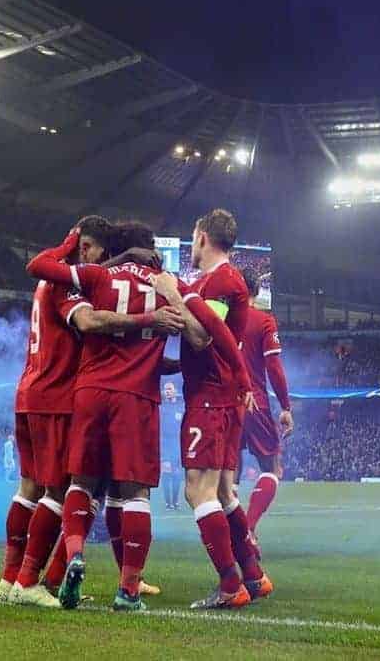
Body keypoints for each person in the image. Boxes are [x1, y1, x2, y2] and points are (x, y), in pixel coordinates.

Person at [26, 222, 230, 612]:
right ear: (149, 248)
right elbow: (204, 336)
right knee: (134, 493)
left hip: (90, 391)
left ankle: (73, 557)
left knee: (80, 484)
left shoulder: (96, 276)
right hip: (137, 397)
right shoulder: (163, 282)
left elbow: (40, 269)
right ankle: (128, 589)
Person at [3, 216, 174, 609]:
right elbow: (89, 321)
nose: (106, 261)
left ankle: (14, 578)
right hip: (60, 395)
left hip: (37, 390)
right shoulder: (72, 281)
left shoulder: (75, 279)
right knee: (66, 490)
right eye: (101, 253)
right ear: (86, 248)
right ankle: (33, 580)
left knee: (42, 488)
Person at [149, 208, 268, 610]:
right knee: (222, 491)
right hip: (222, 394)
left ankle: (230, 582)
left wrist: (172, 292)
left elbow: (201, 336)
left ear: (201, 237)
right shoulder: (219, 281)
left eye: (192, 237)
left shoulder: (221, 281)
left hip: (211, 396)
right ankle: (253, 573)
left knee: (196, 490)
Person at [238, 268, 294, 540]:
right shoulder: (263, 320)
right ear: (258, 292)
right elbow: (274, 367)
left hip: (224, 404)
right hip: (255, 403)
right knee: (272, 467)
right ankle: (247, 528)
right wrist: (285, 406)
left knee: (228, 476)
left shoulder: (220, 320)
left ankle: (231, 534)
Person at [160, 382, 184, 511]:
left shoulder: (181, 407)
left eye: (169, 389)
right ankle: (168, 502)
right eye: (165, 389)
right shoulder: (161, 407)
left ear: (175, 390)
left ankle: (175, 501)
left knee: (177, 474)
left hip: (178, 445)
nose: (167, 391)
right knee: (166, 473)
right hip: (165, 445)